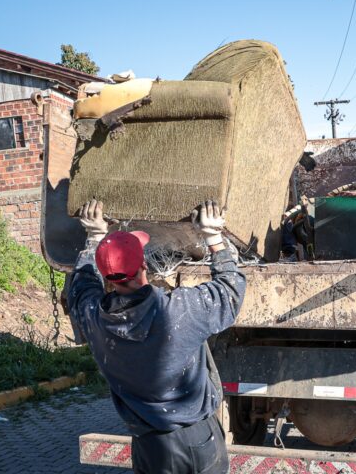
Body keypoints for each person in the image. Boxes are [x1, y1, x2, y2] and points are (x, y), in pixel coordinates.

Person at [68, 199, 245, 474]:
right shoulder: (179, 311)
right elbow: (230, 292)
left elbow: (80, 286)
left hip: (150, 449)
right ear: (144, 267)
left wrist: (94, 238)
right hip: (199, 442)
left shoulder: (94, 319)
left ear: (109, 279)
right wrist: (213, 236)